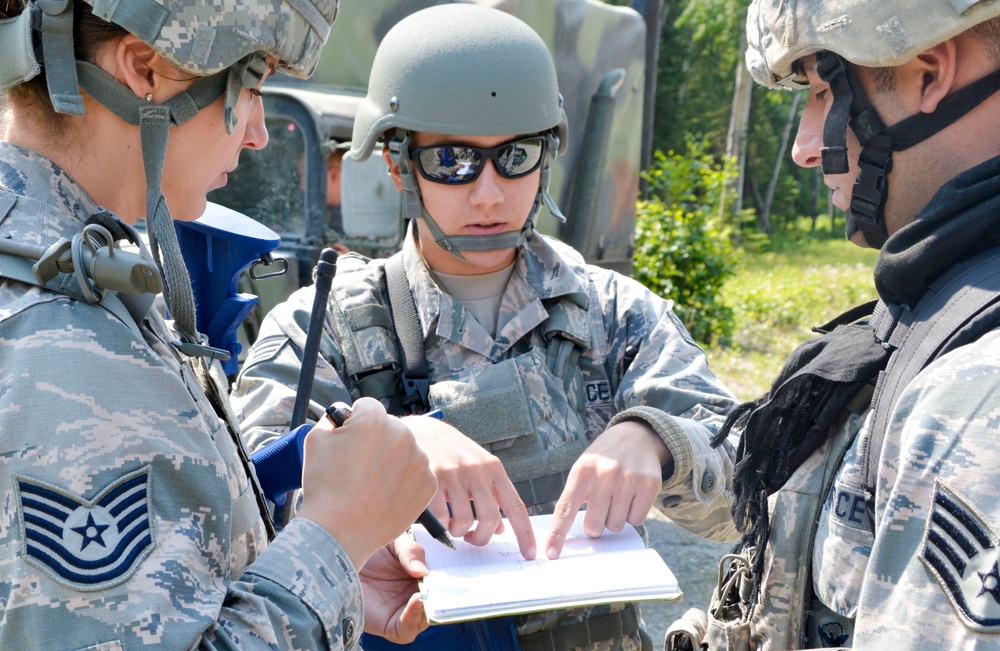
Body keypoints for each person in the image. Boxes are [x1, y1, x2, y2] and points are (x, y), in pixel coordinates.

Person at [232, 5, 739, 651]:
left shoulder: (613, 313)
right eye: (452, 160)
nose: (490, 194)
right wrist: (390, 443)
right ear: (397, 163)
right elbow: (241, 516)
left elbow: (750, 488)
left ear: (546, 157)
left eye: (516, 156)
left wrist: (659, 439)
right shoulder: (320, 327)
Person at [0, 0, 438, 648]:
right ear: (146, 70)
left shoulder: (67, 267)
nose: (258, 131)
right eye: (250, 84)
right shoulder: (70, 346)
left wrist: (313, 560)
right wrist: (331, 541)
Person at [666, 1, 1000, 649]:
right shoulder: (939, 308)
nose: (802, 148)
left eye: (822, 92)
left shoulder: (975, 390)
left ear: (929, 74)